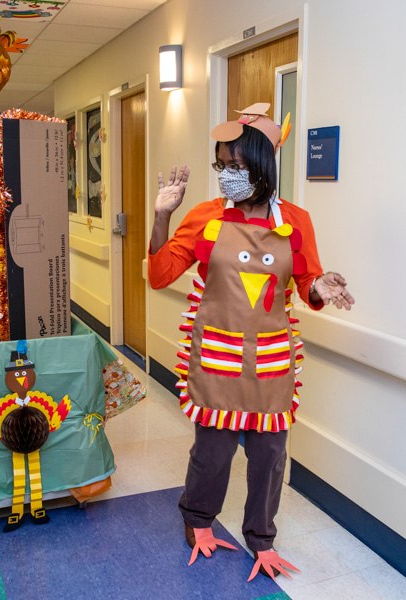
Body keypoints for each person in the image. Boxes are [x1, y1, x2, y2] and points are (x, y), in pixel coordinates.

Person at [147, 103, 354, 582]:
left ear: (263, 167)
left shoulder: (296, 221)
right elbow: (159, 274)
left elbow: (307, 283)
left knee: (269, 457)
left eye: (237, 166)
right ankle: (197, 520)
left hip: (271, 361)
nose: (228, 176)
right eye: (222, 165)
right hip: (217, 358)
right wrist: (162, 217)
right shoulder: (204, 216)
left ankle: (261, 538)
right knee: (212, 454)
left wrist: (319, 288)